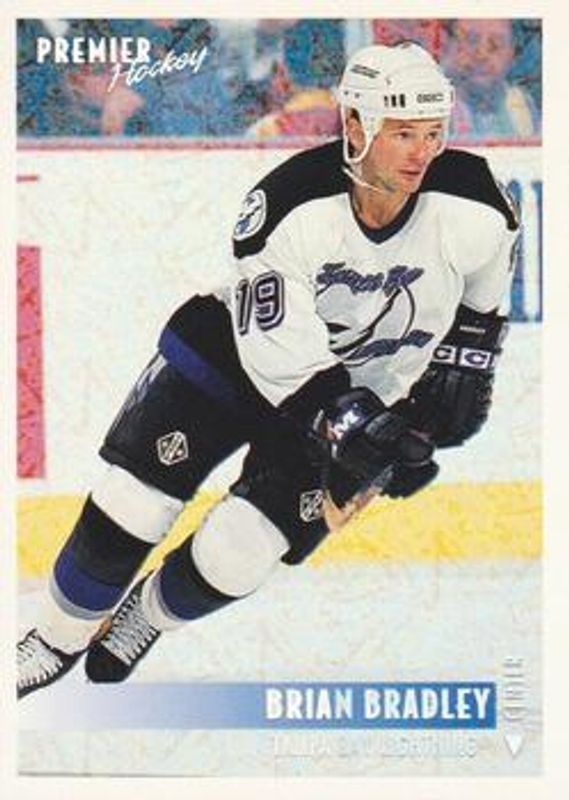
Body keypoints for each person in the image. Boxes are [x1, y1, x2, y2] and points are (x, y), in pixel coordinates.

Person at [17, 42, 519, 698]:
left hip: (358, 399)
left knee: (240, 553)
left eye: (432, 133)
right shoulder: (289, 203)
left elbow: (477, 319)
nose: (421, 153)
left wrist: (441, 400)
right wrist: (361, 431)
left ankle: (147, 616)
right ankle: (53, 638)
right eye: (402, 133)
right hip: (232, 362)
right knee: (133, 504)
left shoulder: (479, 207)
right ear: (355, 125)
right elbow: (278, 353)